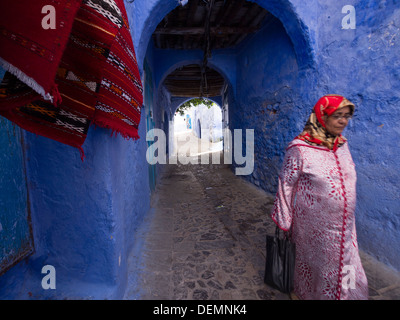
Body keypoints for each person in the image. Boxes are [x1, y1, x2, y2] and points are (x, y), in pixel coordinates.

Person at [271, 94, 369, 300]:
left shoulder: (342, 145)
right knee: (319, 268)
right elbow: (286, 185)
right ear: (321, 117)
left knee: (347, 263)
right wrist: (284, 221)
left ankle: (346, 295)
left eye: (346, 116)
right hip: (314, 228)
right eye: (337, 116)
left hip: (345, 226)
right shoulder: (299, 149)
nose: (343, 121)